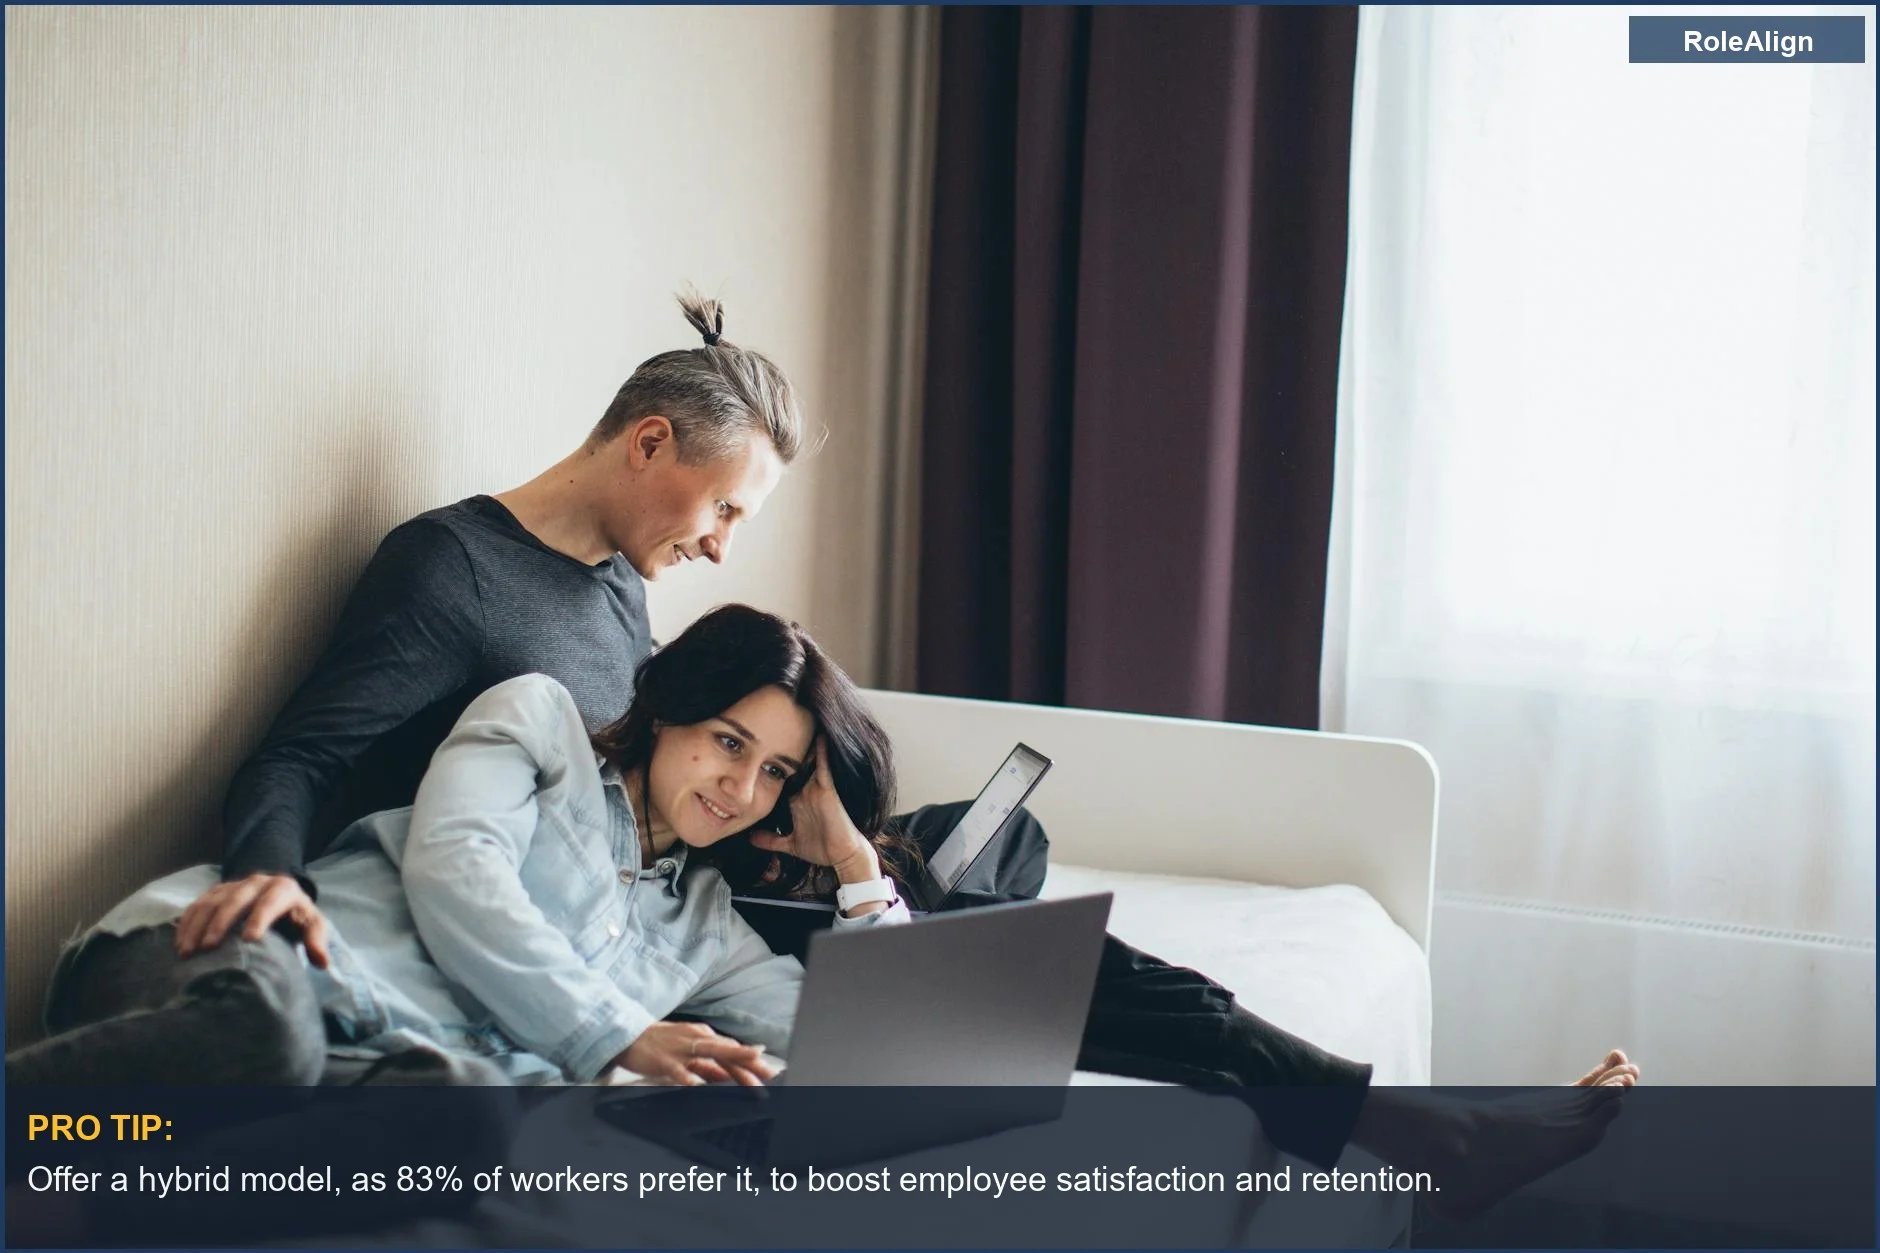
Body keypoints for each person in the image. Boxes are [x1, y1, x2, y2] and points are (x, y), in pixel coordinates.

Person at [21, 290, 1635, 1209]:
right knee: (1008, 948)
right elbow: (320, 755)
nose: (723, 541)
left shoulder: (604, 596)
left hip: (633, 897)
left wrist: (840, 854)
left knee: (1004, 945)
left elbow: (649, 796)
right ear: (648, 443)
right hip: (464, 902)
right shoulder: (456, 572)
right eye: (721, 505)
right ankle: (1400, 1123)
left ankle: (1376, 1111)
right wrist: (267, 876)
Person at [7, 604, 909, 1089]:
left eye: (777, 773)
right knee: (266, 1039)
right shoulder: (539, 720)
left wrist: (855, 867)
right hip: (246, 959)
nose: (741, 789)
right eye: (729, 741)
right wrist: (619, 1032)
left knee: (468, 1136)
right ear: (672, 705)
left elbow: (858, 1043)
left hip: (384, 1063)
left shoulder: (705, 926)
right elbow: (458, 871)